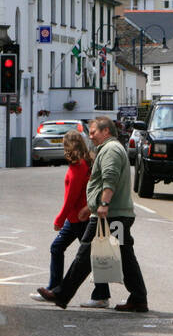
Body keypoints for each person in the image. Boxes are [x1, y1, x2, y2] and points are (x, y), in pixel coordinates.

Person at [38, 116, 149, 312]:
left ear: (106, 131)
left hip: (110, 216)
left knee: (85, 254)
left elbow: (110, 178)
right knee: (124, 256)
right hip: (114, 215)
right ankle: (138, 298)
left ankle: (62, 294)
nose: (90, 136)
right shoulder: (109, 149)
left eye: (93, 132)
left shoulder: (110, 150)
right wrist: (90, 207)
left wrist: (103, 204)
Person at [40, 130, 111, 308]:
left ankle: (101, 295)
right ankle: (55, 288)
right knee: (59, 248)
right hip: (75, 219)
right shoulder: (82, 164)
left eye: (64, 145)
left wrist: (59, 218)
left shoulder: (78, 167)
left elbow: (71, 197)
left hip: (79, 218)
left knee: (87, 258)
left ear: (70, 146)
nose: (63, 148)